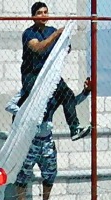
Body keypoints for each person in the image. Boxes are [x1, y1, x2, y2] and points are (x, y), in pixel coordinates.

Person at [7, 78, 92, 200]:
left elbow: (71, 103)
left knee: (50, 171)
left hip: (46, 140)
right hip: (29, 140)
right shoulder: (29, 90)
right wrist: (27, 113)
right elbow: (10, 106)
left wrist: (86, 92)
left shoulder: (55, 93)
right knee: (24, 173)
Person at [19, 2, 90, 142]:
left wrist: (65, 46)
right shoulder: (29, 33)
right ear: (33, 16)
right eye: (39, 13)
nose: (43, 15)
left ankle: (74, 128)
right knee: (37, 101)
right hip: (32, 75)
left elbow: (65, 46)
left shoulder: (51, 30)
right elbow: (39, 47)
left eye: (46, 12)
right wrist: (56, 35)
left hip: (50, 74)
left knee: (67, 95)